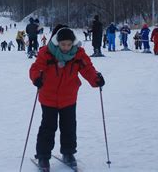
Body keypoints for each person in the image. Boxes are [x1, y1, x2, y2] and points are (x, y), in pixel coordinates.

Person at [30, 25, 105, 170]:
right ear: (57, 42)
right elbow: (36, 68)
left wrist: (96, 79)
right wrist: (37, 77)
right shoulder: (46, 52)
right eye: (63, 44)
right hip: (49, 97)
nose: (66, 47)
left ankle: (68, 152)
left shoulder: (78, 54)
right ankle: (43, 156)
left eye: (69, 44)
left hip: (69, 97)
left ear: (73, 43)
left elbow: (88, 69)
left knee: (69, 126)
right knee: (48, 126)